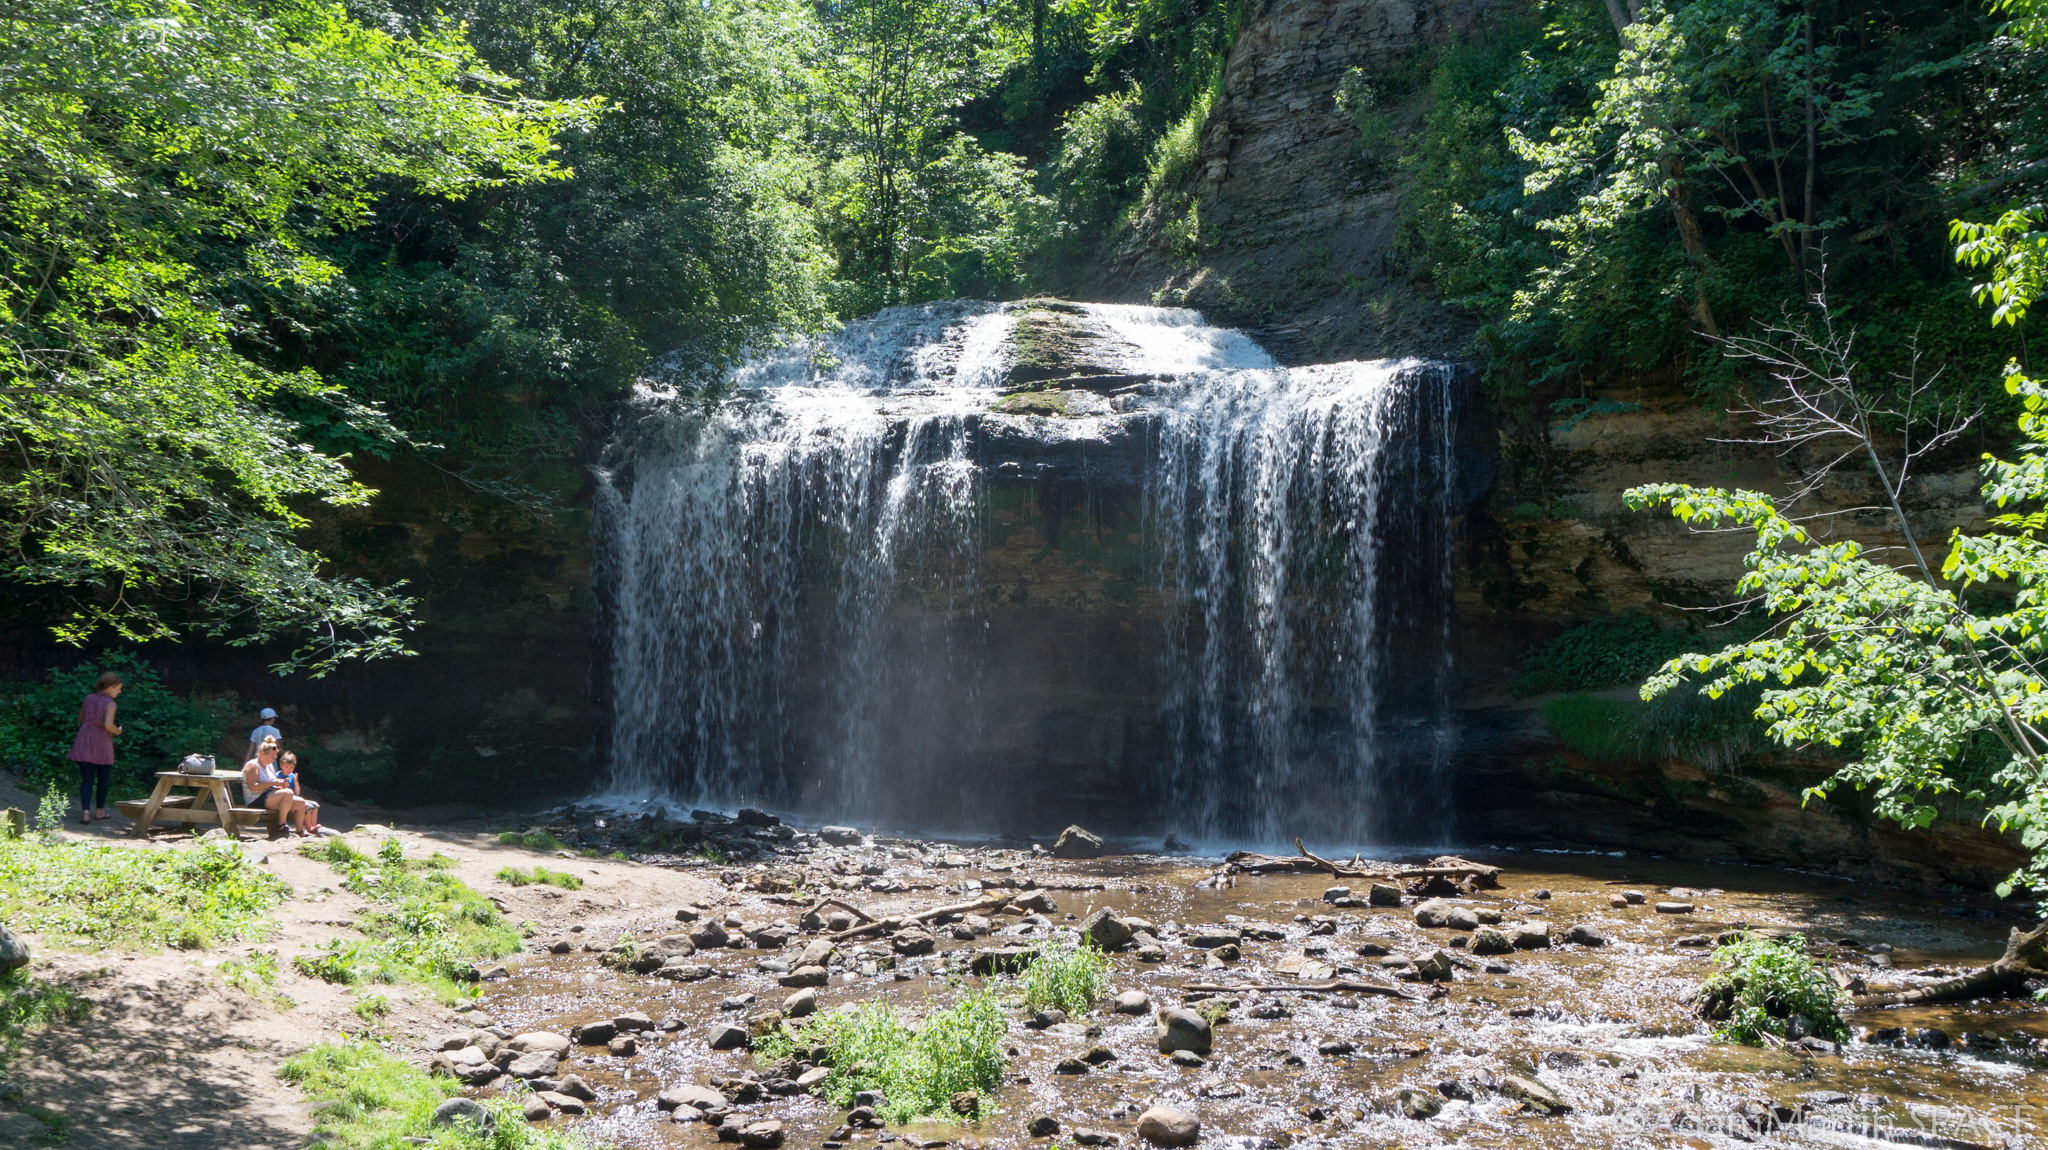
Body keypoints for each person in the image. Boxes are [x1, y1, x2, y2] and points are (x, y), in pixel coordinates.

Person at [67, 671, 123, 824]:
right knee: (103, 779)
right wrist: (118, 730)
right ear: (111, 687)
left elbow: (81, 718)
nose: (119, 691)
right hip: (102, 742)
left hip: (84, 739)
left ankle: (85, 813)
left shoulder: (88, 698)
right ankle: (99, 812)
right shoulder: (111, 704)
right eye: (118, 688)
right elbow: (108, 725)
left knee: (87, 780)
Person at [242, 737, 311, 836]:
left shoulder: (270, 766)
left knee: (300, 802)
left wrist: (280, 785)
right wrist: (273, 783)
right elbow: (253, 787)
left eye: (275, 756)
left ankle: (300, 831)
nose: (274, 759)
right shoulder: (252, 765)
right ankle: (281, 824)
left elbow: (273, 783)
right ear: (262, 753)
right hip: (255, 798)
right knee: (288, 793)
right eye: (271, 756)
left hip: (268, 795)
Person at [277, 750, 319, 834]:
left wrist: (296, 783)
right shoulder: (277, 775)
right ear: (281, 765)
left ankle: (313, 826)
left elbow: (297, 792)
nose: (289, 769)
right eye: (287, 767)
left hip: (294, 797)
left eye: (291, 767)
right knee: (305, 805)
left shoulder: (292, 776)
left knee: (315, 805)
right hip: (286, 801)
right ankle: (309, 827)